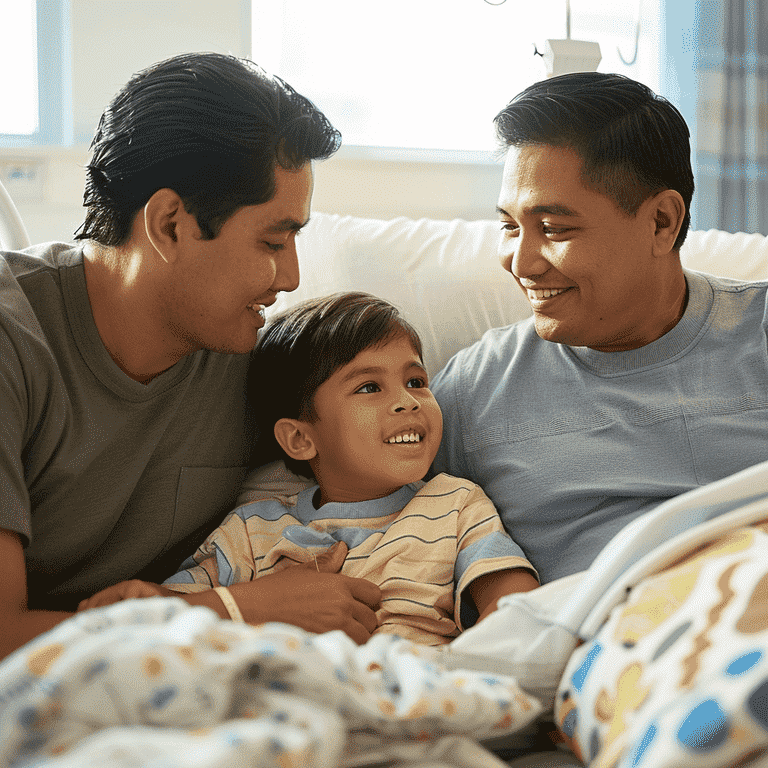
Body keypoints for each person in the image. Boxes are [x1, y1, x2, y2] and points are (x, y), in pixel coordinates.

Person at [0, 52, 386, 660]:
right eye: (272, 241)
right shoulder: (13, 342)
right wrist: (233, 611)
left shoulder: (254, 361)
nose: (291, 276)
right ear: (171, 223)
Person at [431, 71, 768, 584]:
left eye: (554, 229)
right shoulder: (475, 389)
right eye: (508, 226)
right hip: (598, 645)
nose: (520, 262)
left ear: (662, 222)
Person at [80, 292, 539, 645]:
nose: (407, 400)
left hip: (414, 686)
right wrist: (142, 600)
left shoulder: (455, 503)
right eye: (368, 387)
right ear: (300, 439)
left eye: (416, 380)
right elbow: (184, 613)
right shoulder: (252, 530)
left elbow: (513, 608)